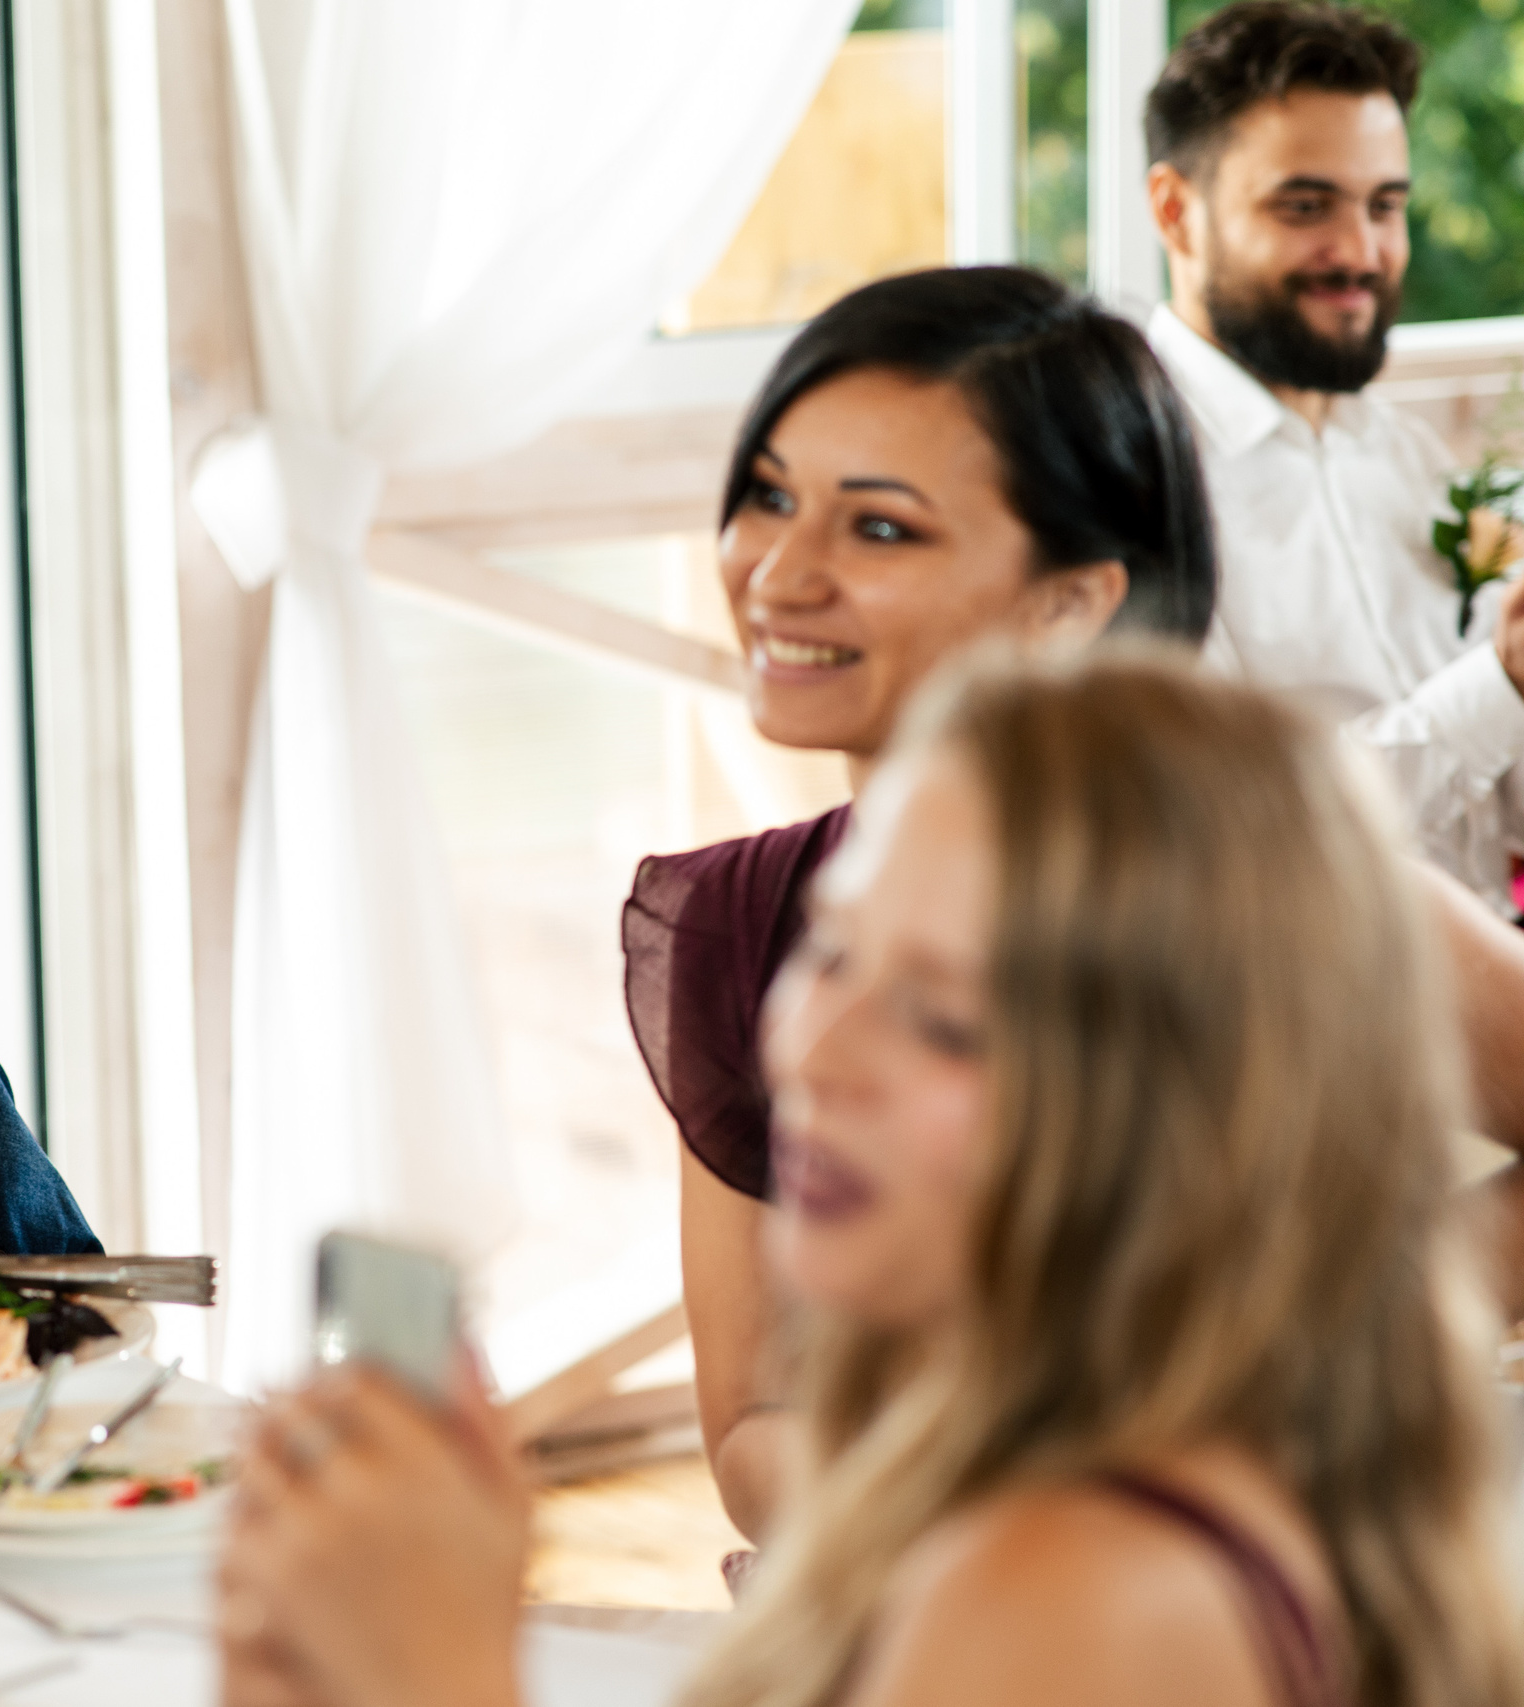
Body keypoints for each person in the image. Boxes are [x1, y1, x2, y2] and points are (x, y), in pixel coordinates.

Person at [222, 655, 1524, 1707]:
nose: (820, 1054)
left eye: (948, 1020)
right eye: (837, 947)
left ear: (1177, 1122)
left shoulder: (1077, 1593)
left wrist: (437, 1677)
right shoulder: (1085, 1462)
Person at [621, 265, 1216, 1542]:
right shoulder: (734, 921)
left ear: (1070, 601)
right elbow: (751, 1425)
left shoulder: (1235, 888)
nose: (777, 574)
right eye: (769, 497)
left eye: (878, 527)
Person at [1144, 1, 1524, 918]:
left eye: (1385, 205)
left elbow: (1492, 803)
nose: (1362, 252)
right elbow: (1242, 830)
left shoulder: (1405, 455)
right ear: (1175, 211)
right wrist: (1500, 681)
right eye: (1305, 206)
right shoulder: (1126, 480)